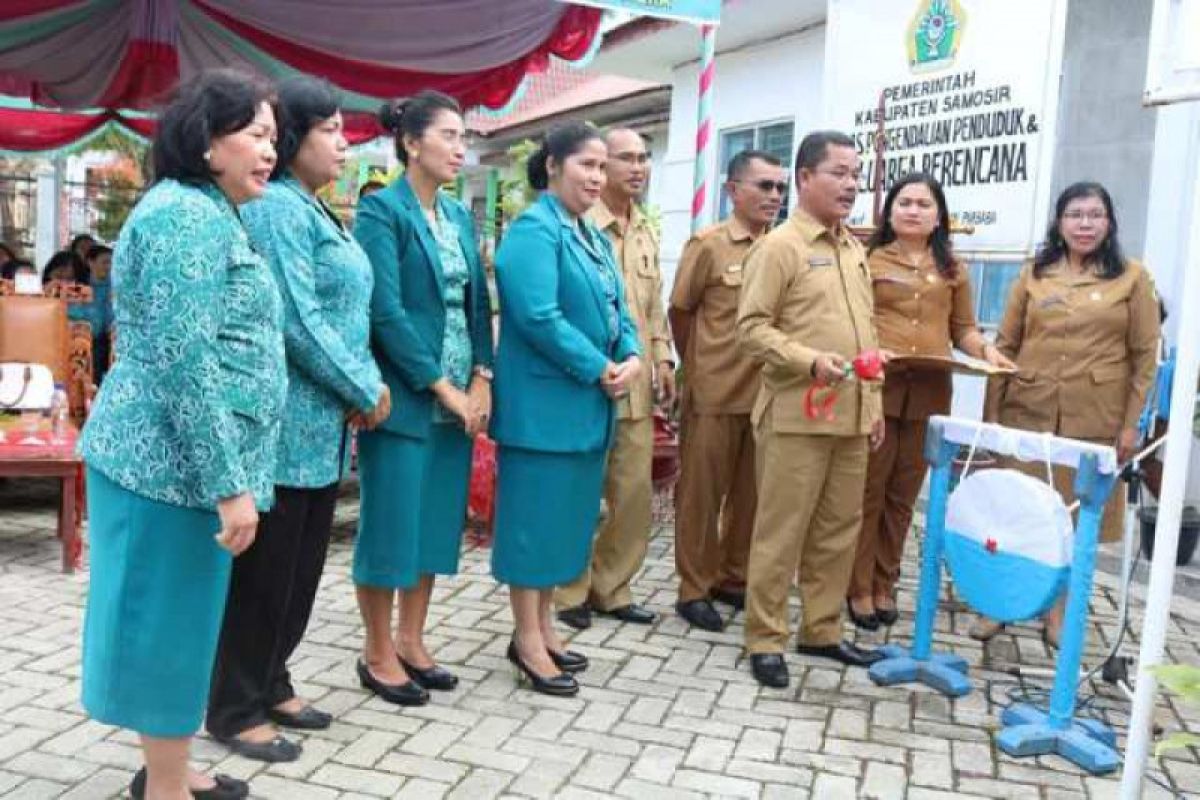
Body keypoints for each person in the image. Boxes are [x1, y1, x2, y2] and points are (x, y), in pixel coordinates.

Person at [77, 68, 282, 800]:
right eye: (256, 134)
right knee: (165, 627)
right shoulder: (185, 219)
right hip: (165, 467)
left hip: (182, 465)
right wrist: (230, 486)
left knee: (184, 623)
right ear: (207, 138)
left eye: (274, 136)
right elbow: (185, 363)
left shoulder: (207, 210)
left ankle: (172, 767)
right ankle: (164, 787)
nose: (270, 150)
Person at [205, 76, 389, 763]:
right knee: (267, 575)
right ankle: (233, 705)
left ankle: (271, 679)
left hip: (319, 428)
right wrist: (363, 384)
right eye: (331, 130)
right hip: (283, 426)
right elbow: (297, 320)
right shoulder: (279, 208)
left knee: (299, 571)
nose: (344, 144)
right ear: (294, 142)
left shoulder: (314, 209)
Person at [972, 181, 1160, 646]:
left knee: (1074, 522)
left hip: (1094, 420)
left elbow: (1144, 359)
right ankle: (1001, 604)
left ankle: (1058, 615)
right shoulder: (1034, 274)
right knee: (1017, 514)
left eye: (1095, 215)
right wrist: (991, 417)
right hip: (1027, 411)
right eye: (1075, 214)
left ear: (1109, 222)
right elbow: (1006, 346)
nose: (1085, 224)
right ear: (1059, 222)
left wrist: (1132, 425)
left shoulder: (1133, 278)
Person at [352, 90, 494, 705]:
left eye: (465, 136)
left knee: (435, 523)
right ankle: (377, 649)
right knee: (391, 525)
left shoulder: (460, 216)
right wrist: (441, 386)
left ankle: (413, 639)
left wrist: (482, 376)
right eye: (449, 135)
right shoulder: (382, 212)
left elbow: (477, 302)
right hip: (406, 397)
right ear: (412, 142)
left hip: (460, 396)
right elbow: (385, 310)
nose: (461, 147)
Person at [491, 121, 642, 695]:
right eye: (587, 165)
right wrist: (597, 366)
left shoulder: (592, 236)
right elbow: (536, 316)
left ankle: (546, 626)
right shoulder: (534, 231)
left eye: (602, 168)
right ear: (552, 166)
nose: (597, 177)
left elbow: (618, 308)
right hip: (542, 411)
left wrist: (629, 354)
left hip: (586, 407)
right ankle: (525, 640)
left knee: (563, 526)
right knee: (531, 529)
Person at [736, 130, 886, 689]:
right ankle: (765, 637)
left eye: (855, 175)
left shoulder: (852, 248)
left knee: (838, 529)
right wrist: (807, 361)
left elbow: (864, 331)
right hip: (797, 414)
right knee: (781, 531)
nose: (851, 185)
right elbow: (750, 330)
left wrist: (872, 406)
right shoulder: (780, 247)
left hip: (850, 416)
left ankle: (821, 630)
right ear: (805, 178)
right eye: (839, 173)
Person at [847, 173, 1015, 631]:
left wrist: (986, 351)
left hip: (930, 394)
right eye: (905, 202)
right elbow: (854, 321)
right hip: (878, 390)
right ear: (890, 211)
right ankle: (857, 586)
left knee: (903, 496)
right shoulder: (866, 258)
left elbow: (962, 329)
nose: (914, 210)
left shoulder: (953, 269)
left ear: (939, 215)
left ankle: (885, 583)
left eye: (924, 203)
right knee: (869, 492)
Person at [555, 127, 673, 630]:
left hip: (637, 386)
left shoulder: (645, 228)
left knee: (632, 498)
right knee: (578, 494)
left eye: (644, 158)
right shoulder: (577, 227)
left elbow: (652, 306)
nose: (637, 167)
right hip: (588, 386)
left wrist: (664, 358)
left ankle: (612, 587)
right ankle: (567, 592)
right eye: (624, 158)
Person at [668, 149, 786, 631]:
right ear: (732, 190)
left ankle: (732, 578)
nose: (774, 196)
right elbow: (680, 311)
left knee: (752, 495)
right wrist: (697, 368)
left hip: (766, 394)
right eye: (763, 186)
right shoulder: (709, 245)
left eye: (780, 188)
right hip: (716, 391)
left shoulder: (782, 247)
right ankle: (692, 589)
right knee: (701, 495)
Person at [85, 244, 115, 382]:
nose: (109, 267)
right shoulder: (81, 288)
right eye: (105, 262)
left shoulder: (117, 287)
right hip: (89, 340)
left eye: (111, 263)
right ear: (90, 262)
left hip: (112, 341)